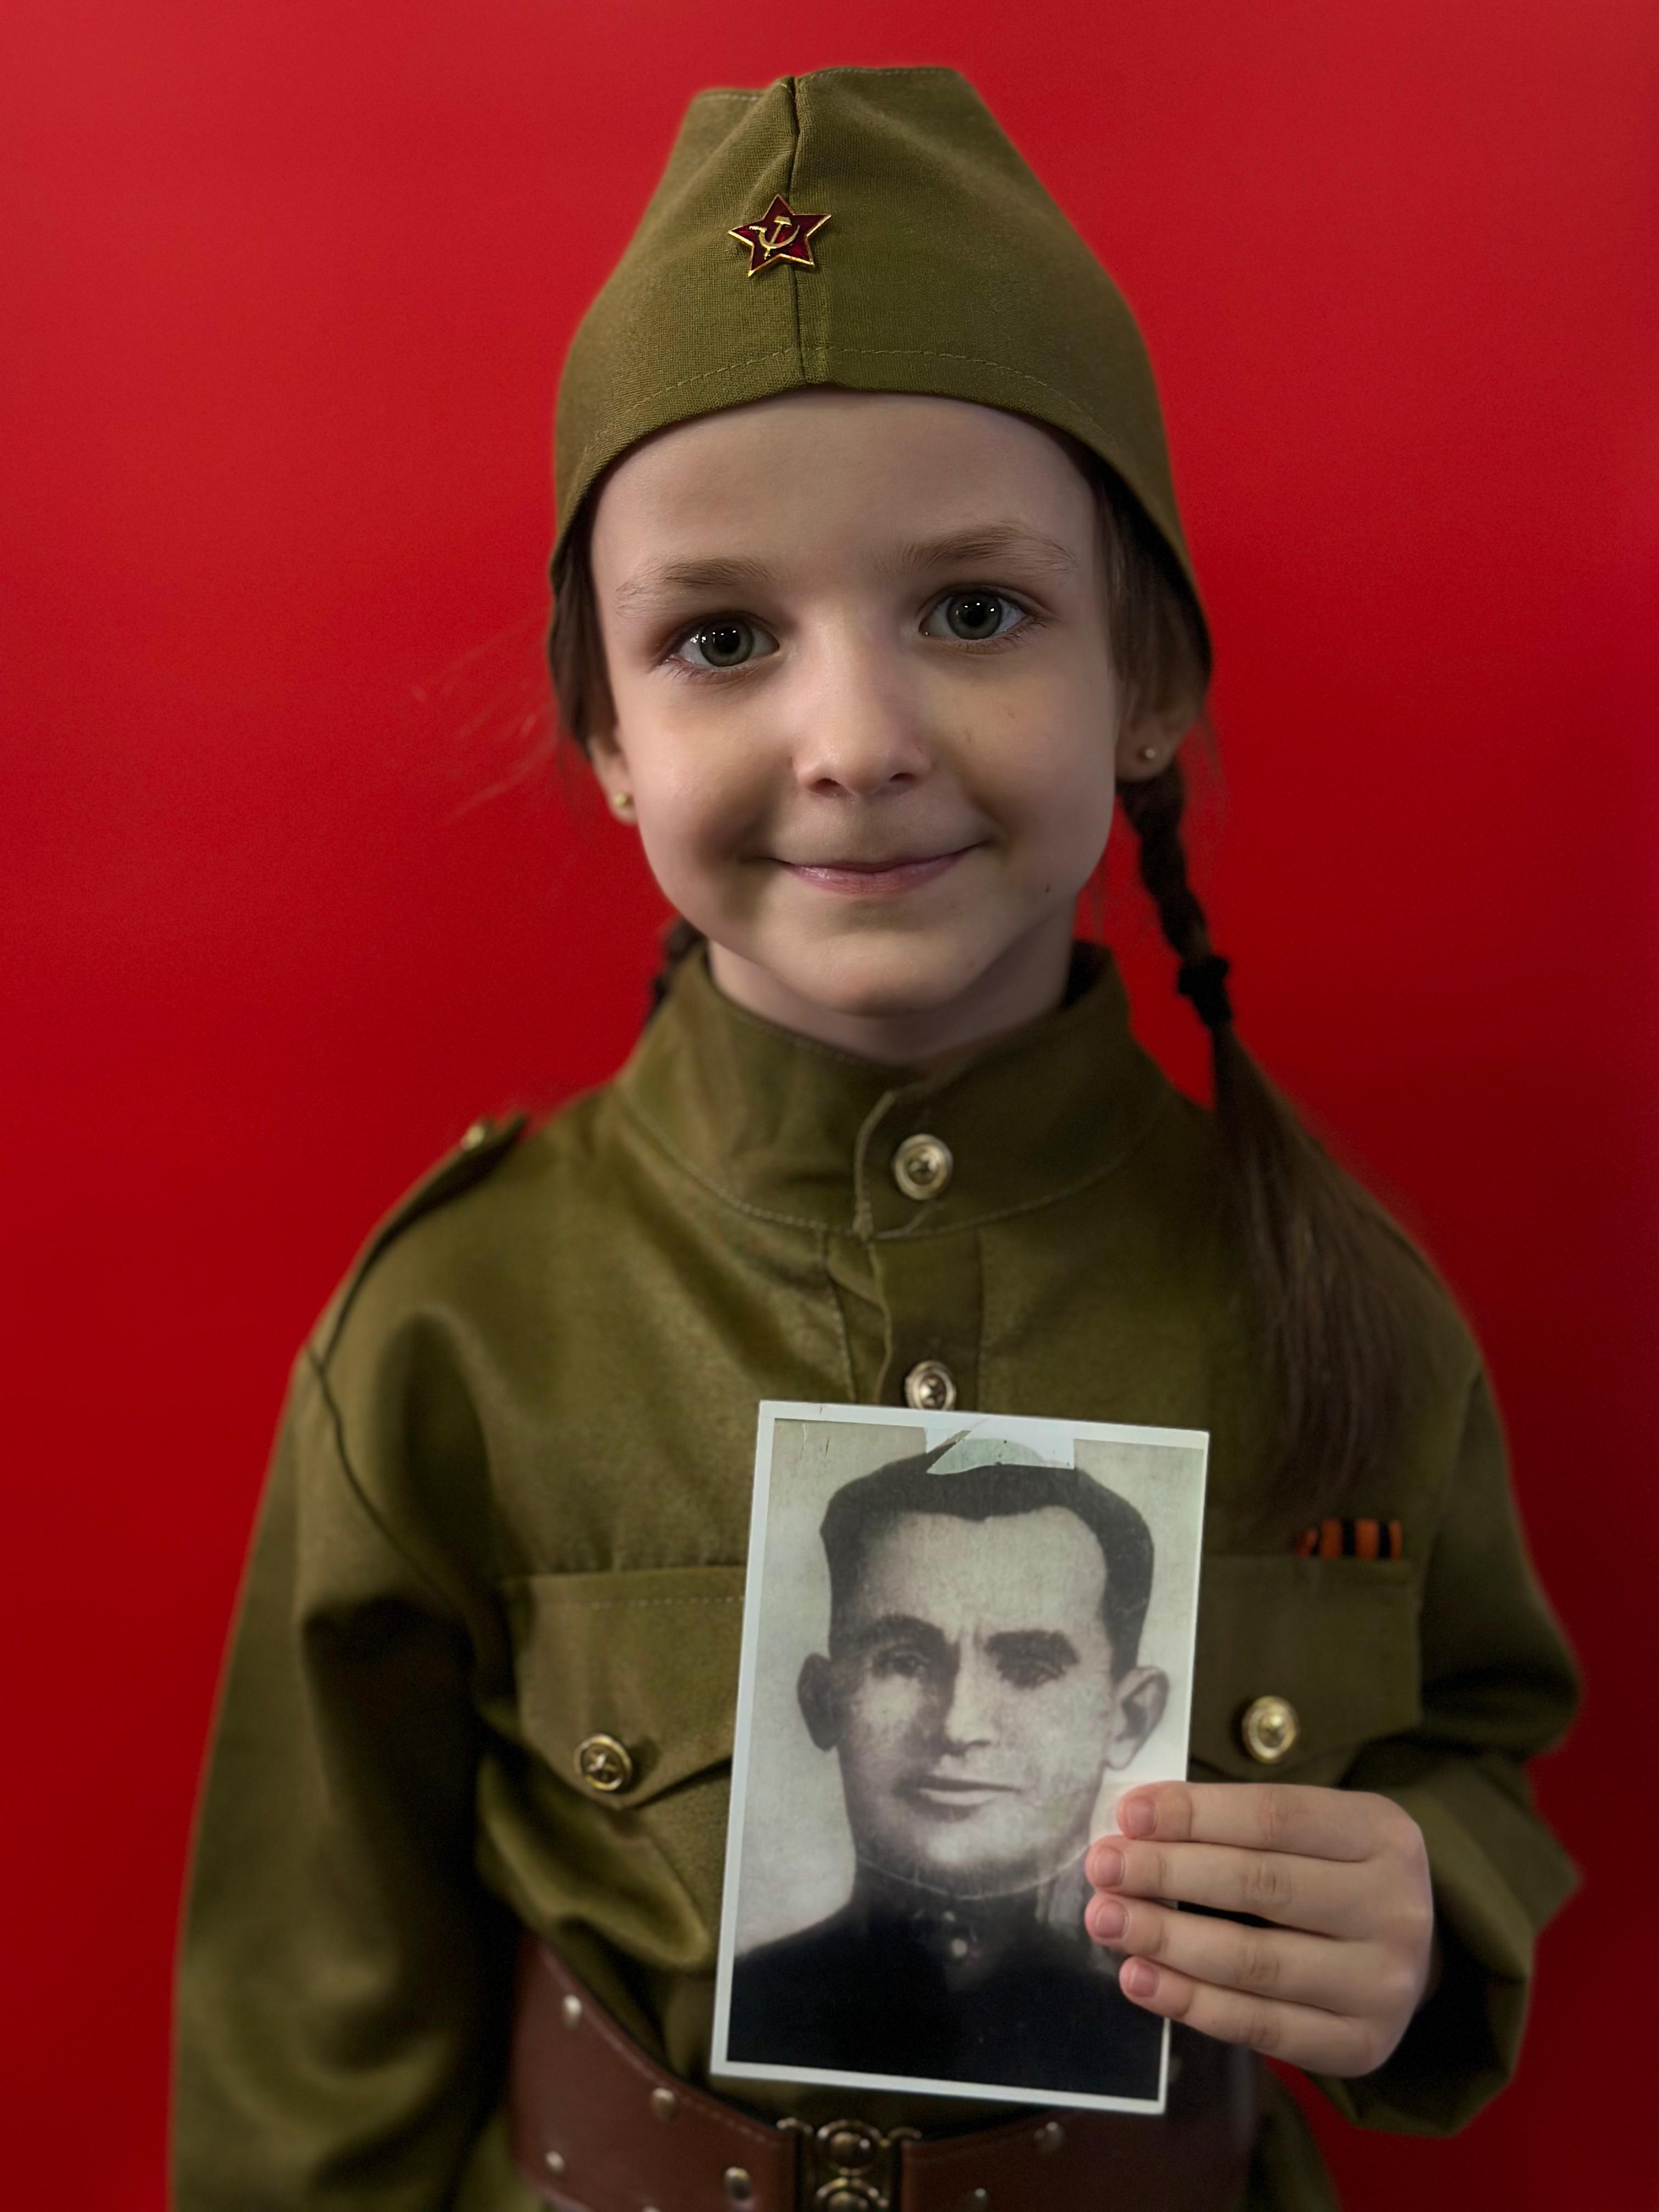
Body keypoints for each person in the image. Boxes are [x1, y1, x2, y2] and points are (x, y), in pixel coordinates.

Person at [172, 65, 1579, 2212]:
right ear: (609, 734)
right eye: (722, 640)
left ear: (1147, 681)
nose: (854, 740)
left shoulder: (1338, 1302)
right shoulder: (453, 1328)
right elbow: (308, 2041)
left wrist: (1429, 1895)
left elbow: (1479, 1743)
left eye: (974, 611)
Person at [727, 1444, 1171, 2098]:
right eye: (904, 1661)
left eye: (1030, 1669)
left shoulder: (1164, 2031)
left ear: (1127, 1720)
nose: (959, 1726)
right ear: (823, 1702)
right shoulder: (747, 2006)